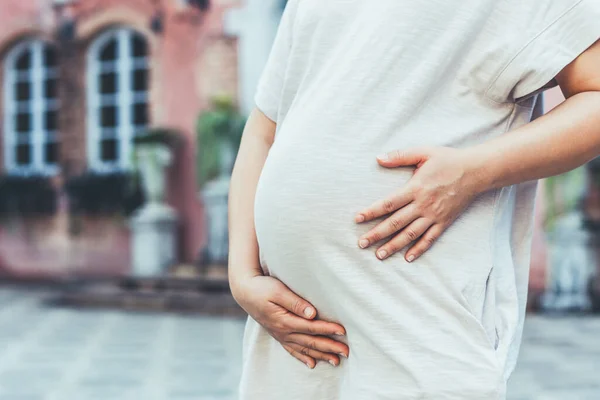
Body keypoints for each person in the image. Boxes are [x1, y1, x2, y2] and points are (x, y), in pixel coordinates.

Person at [228, 1, 600, 398]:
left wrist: (476, 170)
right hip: (292, 330)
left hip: (412, 313)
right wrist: (242, 275)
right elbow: (265, 127)